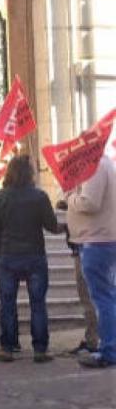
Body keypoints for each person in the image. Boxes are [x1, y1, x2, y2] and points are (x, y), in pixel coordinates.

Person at [0, 155, 61, 363]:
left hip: (7, 255)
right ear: (30, 173)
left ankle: (7, 347)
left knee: (7, 303)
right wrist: (65, 226)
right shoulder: (39, 196)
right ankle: (40, 349)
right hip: (35, 255)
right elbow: (51, 226)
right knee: (38, 303)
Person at [63, 154, 116, 369]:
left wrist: (70, 197)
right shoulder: (107, 164)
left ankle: (109, 350)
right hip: (103, 238)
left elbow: (91, 202)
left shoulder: (94, 166)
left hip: (97, 240)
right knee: (108, 297)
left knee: (103, 299)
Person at [56, 199, 99, 356]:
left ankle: (93, 340)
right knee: (91, 298)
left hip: (86, 248)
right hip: (86, 247)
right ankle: (94, 338)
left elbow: (89, 208)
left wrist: (70, 203)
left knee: (89, 298)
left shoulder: (88, 191)